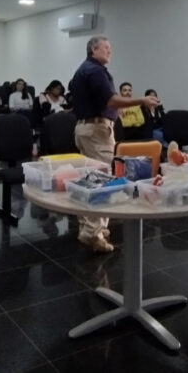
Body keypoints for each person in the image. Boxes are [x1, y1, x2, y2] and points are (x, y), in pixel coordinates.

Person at [69, 36, 159, 253]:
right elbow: (111, 101)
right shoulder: (94, 71)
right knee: (103, 180)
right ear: (94, 49)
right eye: (106, 48)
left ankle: (90, 227)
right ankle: (93, 233)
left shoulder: (87, 69)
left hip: (88, 129)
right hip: (96, 131)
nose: (110, 51)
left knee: (90, 179)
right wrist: (141, 100)